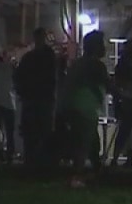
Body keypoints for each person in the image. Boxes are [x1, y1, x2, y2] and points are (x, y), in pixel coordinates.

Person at [64, 31, 108, 188]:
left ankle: (95, 170)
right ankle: (78, 175)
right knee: (84, 143)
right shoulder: (96, 65)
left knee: (90, 141)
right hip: (87, 107)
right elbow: (107, 83)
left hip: (76, 105)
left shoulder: (78, 64)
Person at [13, 28, 57, 168]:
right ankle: (40, 162)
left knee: (32, 132)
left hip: (33, 99)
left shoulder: (30, 58)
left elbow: (18, 76)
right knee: (40, 131)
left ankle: (32, 162)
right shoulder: (47, 56)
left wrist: (22, 92)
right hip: (41, 99)